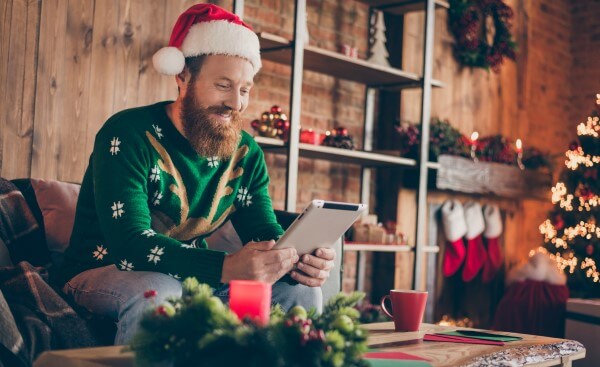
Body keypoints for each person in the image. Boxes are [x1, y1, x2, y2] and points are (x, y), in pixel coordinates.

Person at [58, 3, 335, 345]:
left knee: (301, 295)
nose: (236, 103)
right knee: (158, 292)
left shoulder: (246, 153)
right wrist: (226, 267)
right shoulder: (126, 133)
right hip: (101, 272)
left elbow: (264, 232)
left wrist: (295, 259)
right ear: (183, 76)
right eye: (223, 85)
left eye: (245, 89)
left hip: (193, 279)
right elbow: (129, 245)